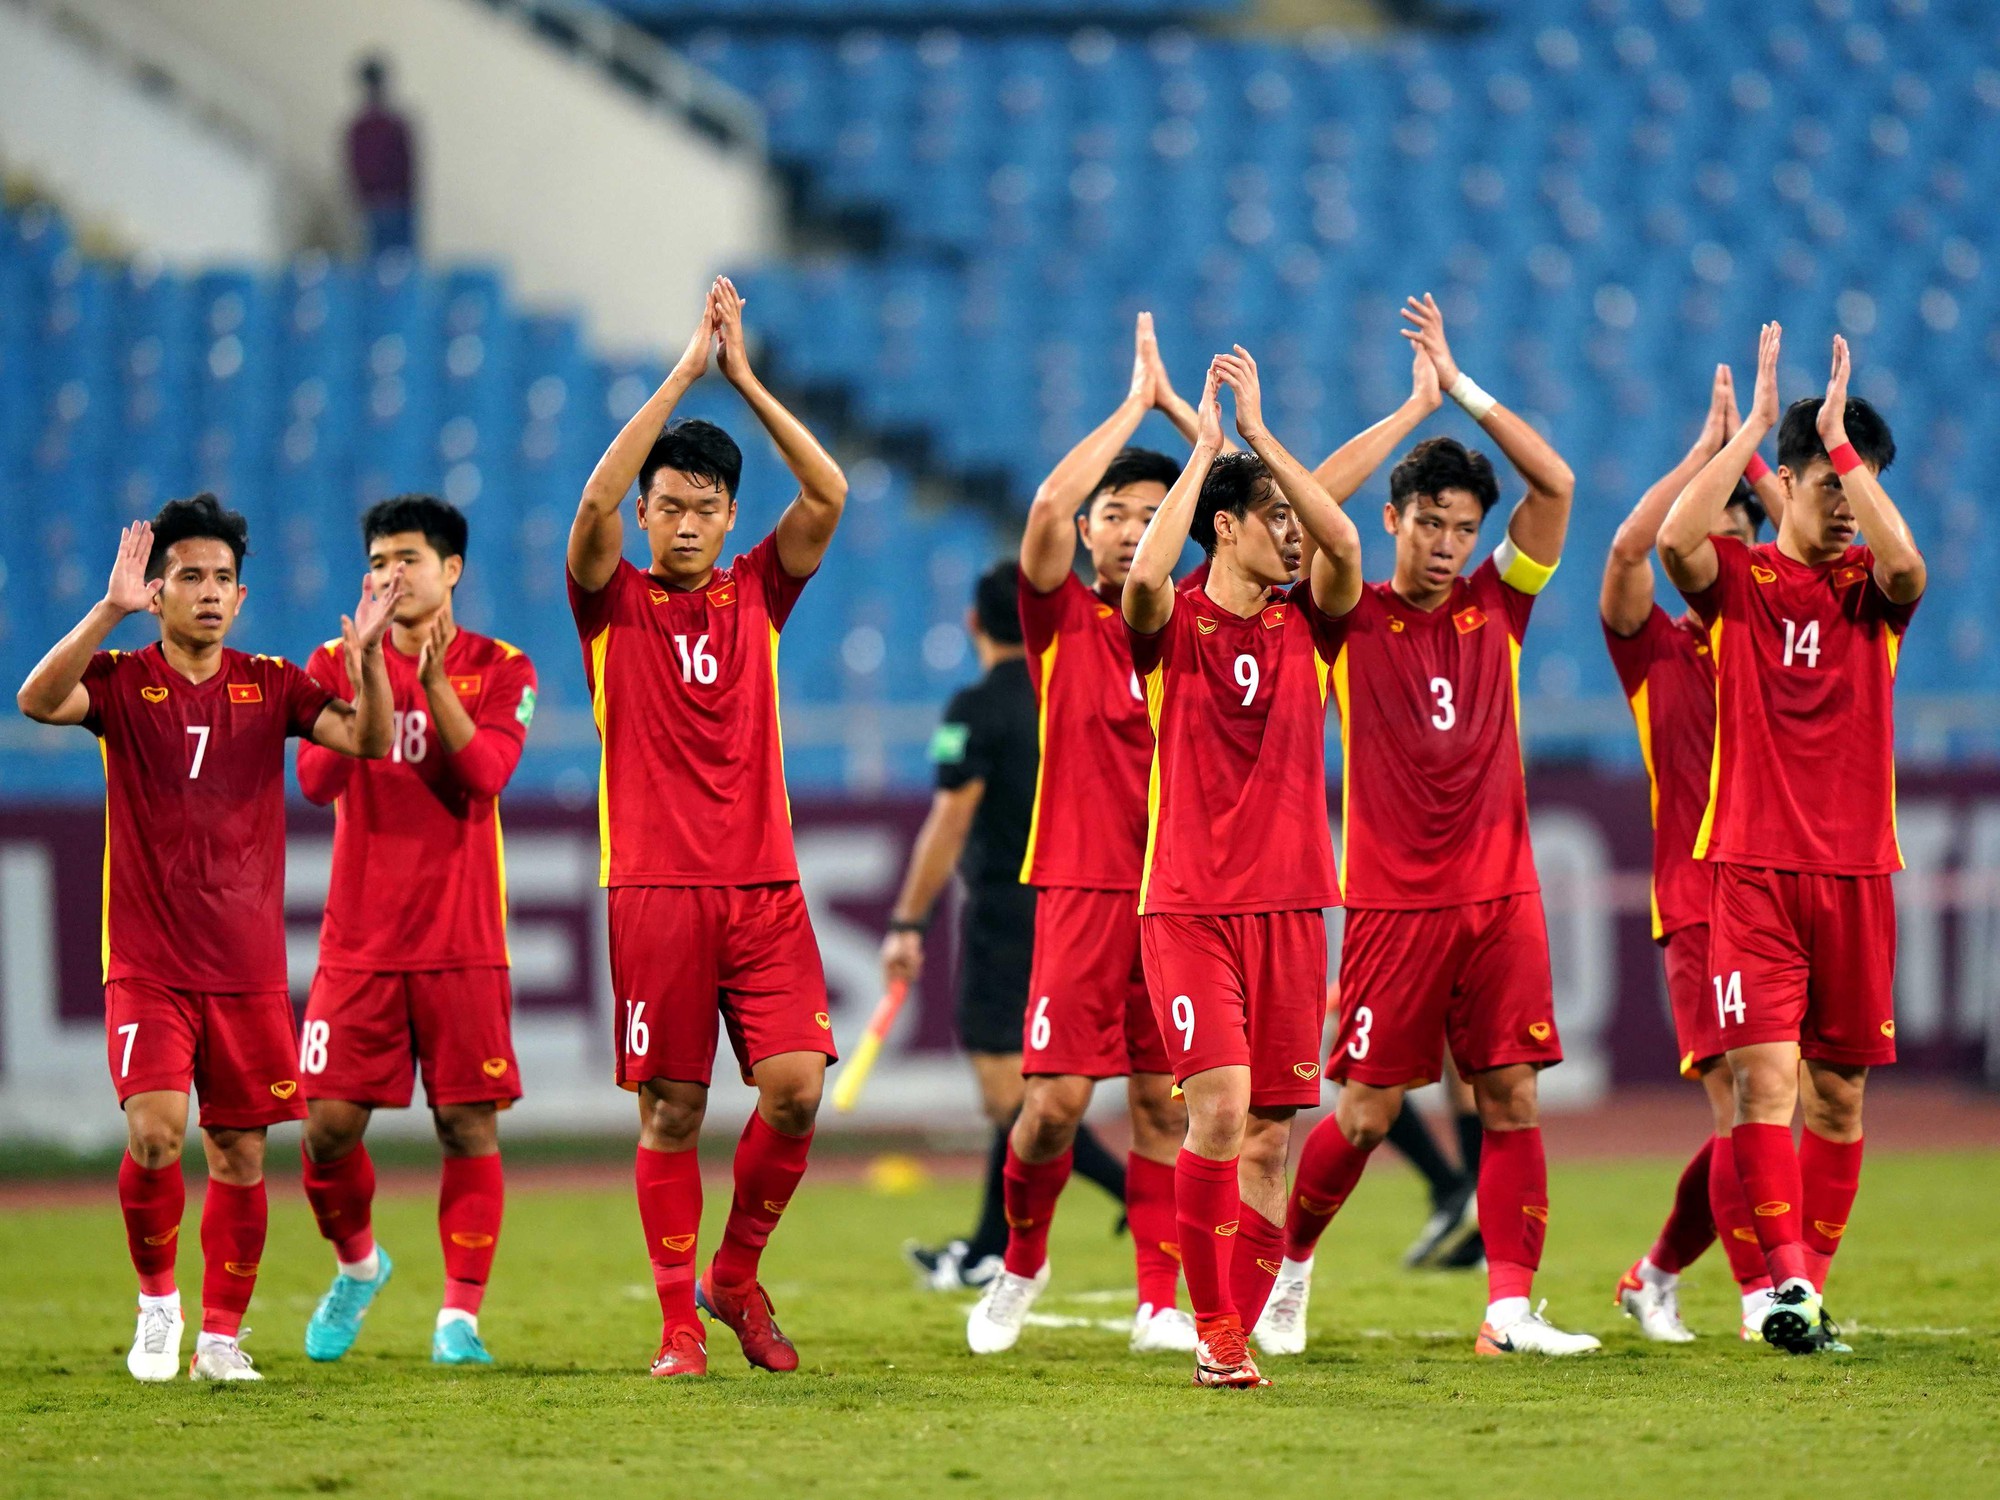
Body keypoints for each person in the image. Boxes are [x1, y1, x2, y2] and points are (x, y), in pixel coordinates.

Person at [1265, 295, 1599, 1359]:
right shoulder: (1344, 614)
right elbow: (1306, 505)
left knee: (1510, 1099)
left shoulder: (1501, 604)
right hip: (1392, 906)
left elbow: (1557, 486)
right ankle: (1288, 1272)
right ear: (1392, 521)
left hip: (1500, 899)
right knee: (1365, 1117)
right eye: (1431, 524)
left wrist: (1464, 391)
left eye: (1464, 528)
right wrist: (1412, 412)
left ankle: (1507, 1312)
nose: (1450, 545)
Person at [14, 494, 398, 1382]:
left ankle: (220, 1340)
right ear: (158, 592)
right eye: (190, 576)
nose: (211, 592)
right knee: (155, 1135)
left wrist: (371, 660)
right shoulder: (120, 680)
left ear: (242, 593)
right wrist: (106, 610)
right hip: (148, 963)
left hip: (246, 968)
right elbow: (35, 699)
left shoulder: (272, 684)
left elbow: (369, 740)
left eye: (224, 578)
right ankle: (158, 1306)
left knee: (240, 1153)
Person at [568, 276, 847, 1379]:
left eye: (705, 508)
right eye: (668, 507)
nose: (685, 524)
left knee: (797, 1090)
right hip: (654, 892)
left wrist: (744, 381)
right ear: (645, 515)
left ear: (730, 517)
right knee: (673, 1112)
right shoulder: (610, 603)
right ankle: (677, 1328)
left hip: (764, 888)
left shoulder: (758, 592)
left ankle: (733, 1275)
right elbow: (588, 514)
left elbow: (826, 491)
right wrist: (684, 372)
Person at [1657, 326, 1923, 1354]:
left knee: (1839, 1097)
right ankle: (1785, 1288)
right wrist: (1754, 432)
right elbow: (1673, 542)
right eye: (1829, 488)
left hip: (1856, 873)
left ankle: (1807, 1286)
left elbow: (1909, 566)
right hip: (1752, 874)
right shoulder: (1740, 583)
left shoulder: (1870, 595)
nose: (1847, 506)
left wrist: (1844, 453)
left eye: (1860, 488)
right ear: (1790, 486)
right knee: (1764, 1086)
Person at [963, 313, 1207, 1358]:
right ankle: (1020, 1265)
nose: (1132, 530)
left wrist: (1201, 434)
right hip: (1077, 889)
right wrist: (1134, 406)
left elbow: (1262, 514)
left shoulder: (1202, 620)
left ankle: (1158, 1300)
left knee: (1161, 1105)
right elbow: (1043, 510)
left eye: (1154, 515)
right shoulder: (1060, 622)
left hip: (1180, 896)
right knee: (1055, 1105)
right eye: (1116, 514)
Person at [1122, 347, 1359, 1389]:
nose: (1295, 536)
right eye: (1274, 520)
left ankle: (1236, 1330)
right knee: (1217, 1112)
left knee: (1269, 1138)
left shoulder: (1311, 623)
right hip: (1188, 908)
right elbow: (1141, 578)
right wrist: (1208, 451)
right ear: (1223, 527)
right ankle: (1214, 1330)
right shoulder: (1173, 625)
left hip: (1293, 910)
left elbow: (1344, 539)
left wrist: (1264, 440)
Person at [294, 495, 538, 1368]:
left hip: (461, 943)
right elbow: (316, 782)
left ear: (452, 569)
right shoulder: (334, 661)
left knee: (467, 1129)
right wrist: (367, 671)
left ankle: (458, 1318)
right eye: (377, 561)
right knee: (324, 1130)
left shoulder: (501, 667)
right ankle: (359, 1266)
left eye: (408, 559)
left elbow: (485, 775)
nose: (390, 576)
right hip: (358, 943)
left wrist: (433, 685)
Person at [1602, 366, 1788, 1343]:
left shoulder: (1782, 647)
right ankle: (1765, 1299)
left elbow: (1824, 547)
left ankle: (1656, 1272)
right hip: (1698, 903)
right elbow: (1629, 552)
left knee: (1772, 1112)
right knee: (1738, 1107)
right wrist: (1703, 456)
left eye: (1732, 536)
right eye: (1702, 538)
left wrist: (1755, 458)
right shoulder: (1656, 649)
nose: (1713, 552)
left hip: (1782, 897)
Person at [885, 563, 1128, 1296]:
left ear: (972, 624)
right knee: (1036, 1082)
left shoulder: (974, 707)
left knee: (1010, 1096)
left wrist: (908, 920)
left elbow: (950, 818)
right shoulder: (1074, 689)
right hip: (1083, 902)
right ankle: (990, 1245)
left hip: (1006, 912)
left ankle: (1135, 1193)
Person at [347, 55, 416, 256]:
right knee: (376, 263)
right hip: (373, 208)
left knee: (401, 262)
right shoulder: (361, 128)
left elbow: (408, 167)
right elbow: (356, 168)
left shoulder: (395, 125)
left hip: (397, 206)